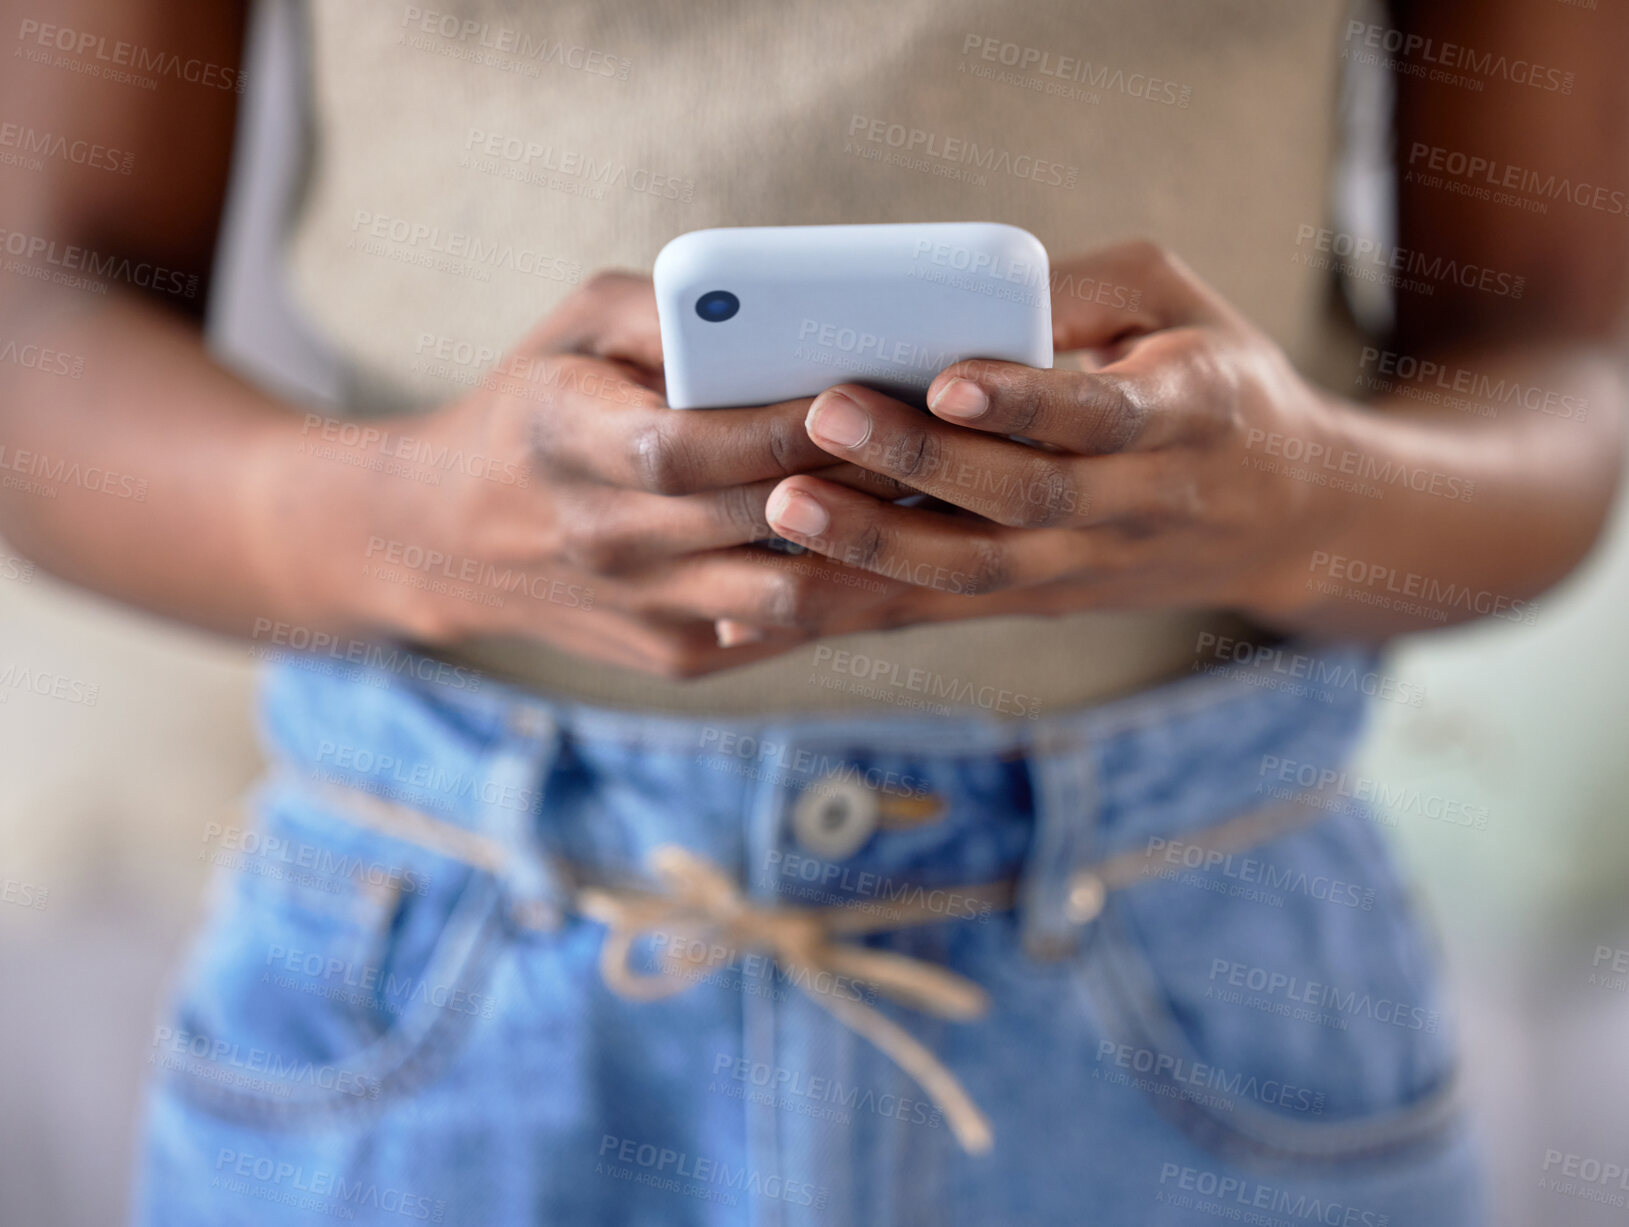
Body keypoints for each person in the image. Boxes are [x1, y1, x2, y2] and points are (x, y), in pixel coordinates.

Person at [2, 0, 1624, 1222]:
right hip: (444, 966)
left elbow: (1567, 367)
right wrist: (411, 525)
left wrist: (1297, 490)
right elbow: (37, 320)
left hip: (1197, 968)